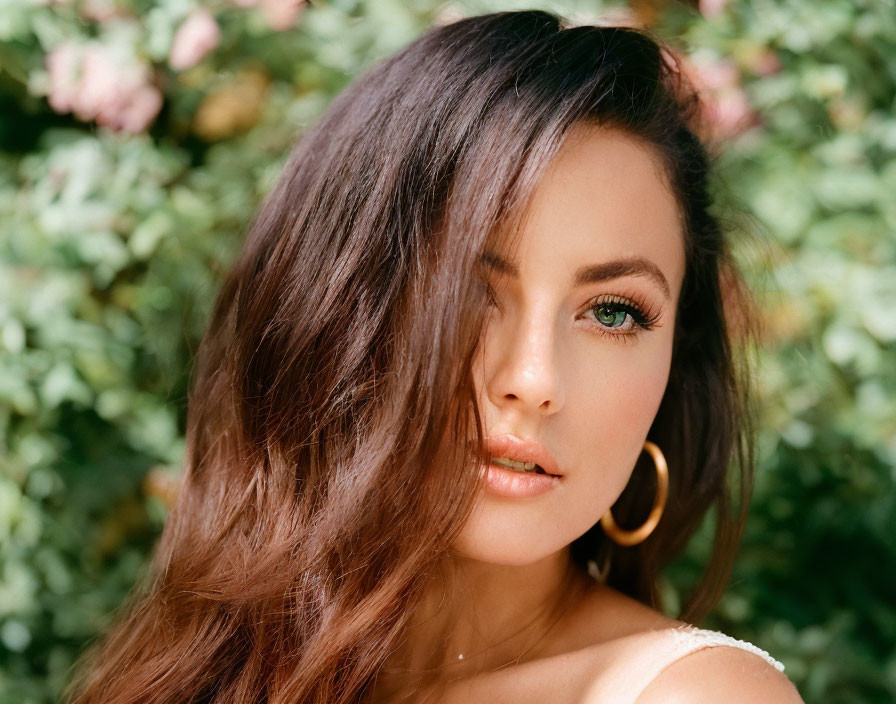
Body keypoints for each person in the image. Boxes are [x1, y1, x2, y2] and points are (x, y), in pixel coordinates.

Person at [64, 9, 804, 704]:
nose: (533, 381)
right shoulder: (207, 665)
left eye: (613, 312)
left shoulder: (686, 694)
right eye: (469, 294)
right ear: (336, 312)